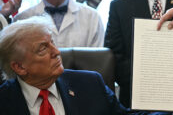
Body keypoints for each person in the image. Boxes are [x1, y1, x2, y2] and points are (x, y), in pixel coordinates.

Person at [0, 16, 132, 115]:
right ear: (19, 67)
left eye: (52, 43)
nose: (56, 52)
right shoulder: (4, 100)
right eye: (43, 49)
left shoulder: (90, 84)